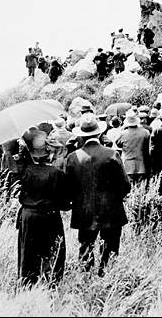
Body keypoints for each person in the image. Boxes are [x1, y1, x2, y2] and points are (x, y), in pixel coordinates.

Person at [65, 113, 131, 277]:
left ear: (81, 135)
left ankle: (87, 275)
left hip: (84, 210)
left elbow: (69, 188)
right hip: (111, 208)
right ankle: (106, 274)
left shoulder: (73, 158)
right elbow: (125, 185)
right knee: (111, 245)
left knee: (86, 245)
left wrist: (78, 201)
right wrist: (115, 198)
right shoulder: (111, 154)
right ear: (99, 133)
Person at [16, 131, 70, 286]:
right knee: (53, 251)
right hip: (49, 216)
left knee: (28, 252)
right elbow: (65, 202)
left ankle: (27, 283)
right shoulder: (56, 173)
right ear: (50, 154)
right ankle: (51, 282)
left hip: (28, 215)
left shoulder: (25, 171)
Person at [116, 110, 150, 187]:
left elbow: (118, 144)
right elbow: (148, 147)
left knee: (130, 189)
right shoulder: (145, 132)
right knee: (142, 189)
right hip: (142, 165)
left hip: (128, 165)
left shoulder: (123, 134)